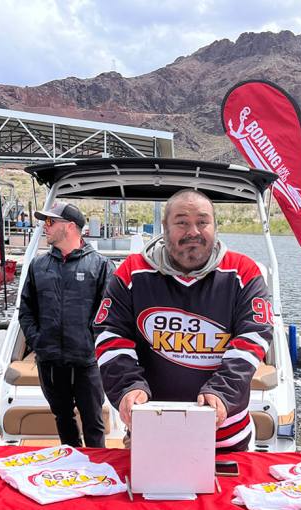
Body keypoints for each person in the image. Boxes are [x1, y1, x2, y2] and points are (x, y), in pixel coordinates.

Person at [96, 188, 274, 452]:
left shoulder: (244, 272)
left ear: (215, 227)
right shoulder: (131, 272)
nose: (193, 231)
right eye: (181, 222)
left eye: (203, 222)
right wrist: (128, 387)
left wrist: (220, 393)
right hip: (150, 431)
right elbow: (110, 335)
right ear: (164, 228)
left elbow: (254, 337)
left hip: (225, 439)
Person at [18, 201, 110, 447]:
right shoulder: (39, 266)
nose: (44, 227)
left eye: (50, 222)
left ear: (69, 227)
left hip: (86, 360)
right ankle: (71, 465)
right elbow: (26, 310)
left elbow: (108, 314)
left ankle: (96, 473)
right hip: (50, 360)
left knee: (93, 422)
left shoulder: (100, 266)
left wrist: (91, 341)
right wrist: (38, 341)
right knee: (62, 418)